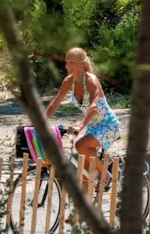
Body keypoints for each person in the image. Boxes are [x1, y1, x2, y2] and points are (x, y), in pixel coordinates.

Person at [45, 47, 121, 188]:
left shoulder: (91, 80)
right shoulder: (69, 81)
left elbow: (93, 106)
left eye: (71, 62)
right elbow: (55, 104)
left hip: (108, 124)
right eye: (66, 62)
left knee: (81, 146)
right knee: (85, 175)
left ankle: (106, 175)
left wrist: (80, 126)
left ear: (82, 63)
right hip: (93, 126)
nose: (67, 66)